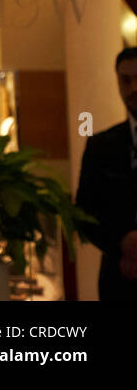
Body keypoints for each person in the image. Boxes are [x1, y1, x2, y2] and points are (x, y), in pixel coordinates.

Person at [76, 46, 137, 301]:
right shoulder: (101, 145)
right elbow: (83, 212)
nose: (133, 88)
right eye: (125, 80)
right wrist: (122, 243)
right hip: (118, 281)